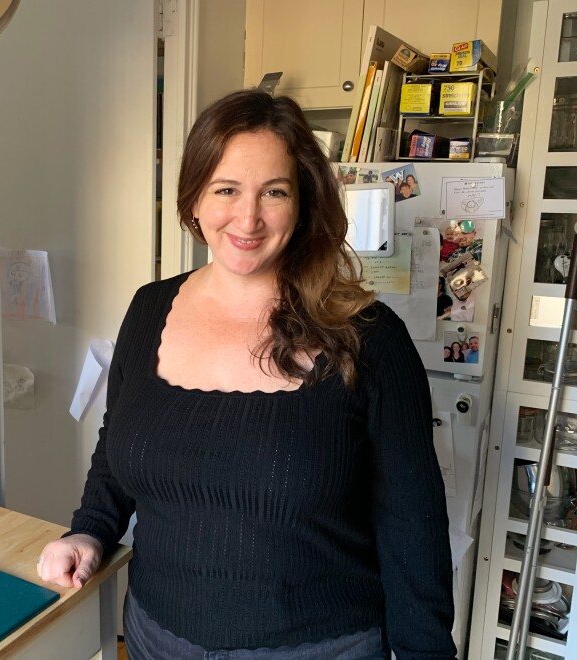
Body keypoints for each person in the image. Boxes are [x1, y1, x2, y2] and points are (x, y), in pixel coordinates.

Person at [36, 90, 455, 658]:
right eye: (226, 189)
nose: (248, 217)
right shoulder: (148, 309)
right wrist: (90, 529)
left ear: (303, 203)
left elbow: (413, 524)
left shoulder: (370, 339)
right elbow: (120, 440)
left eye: (274, 192)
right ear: (195, 201)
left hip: (319, 648)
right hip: (156, 636)